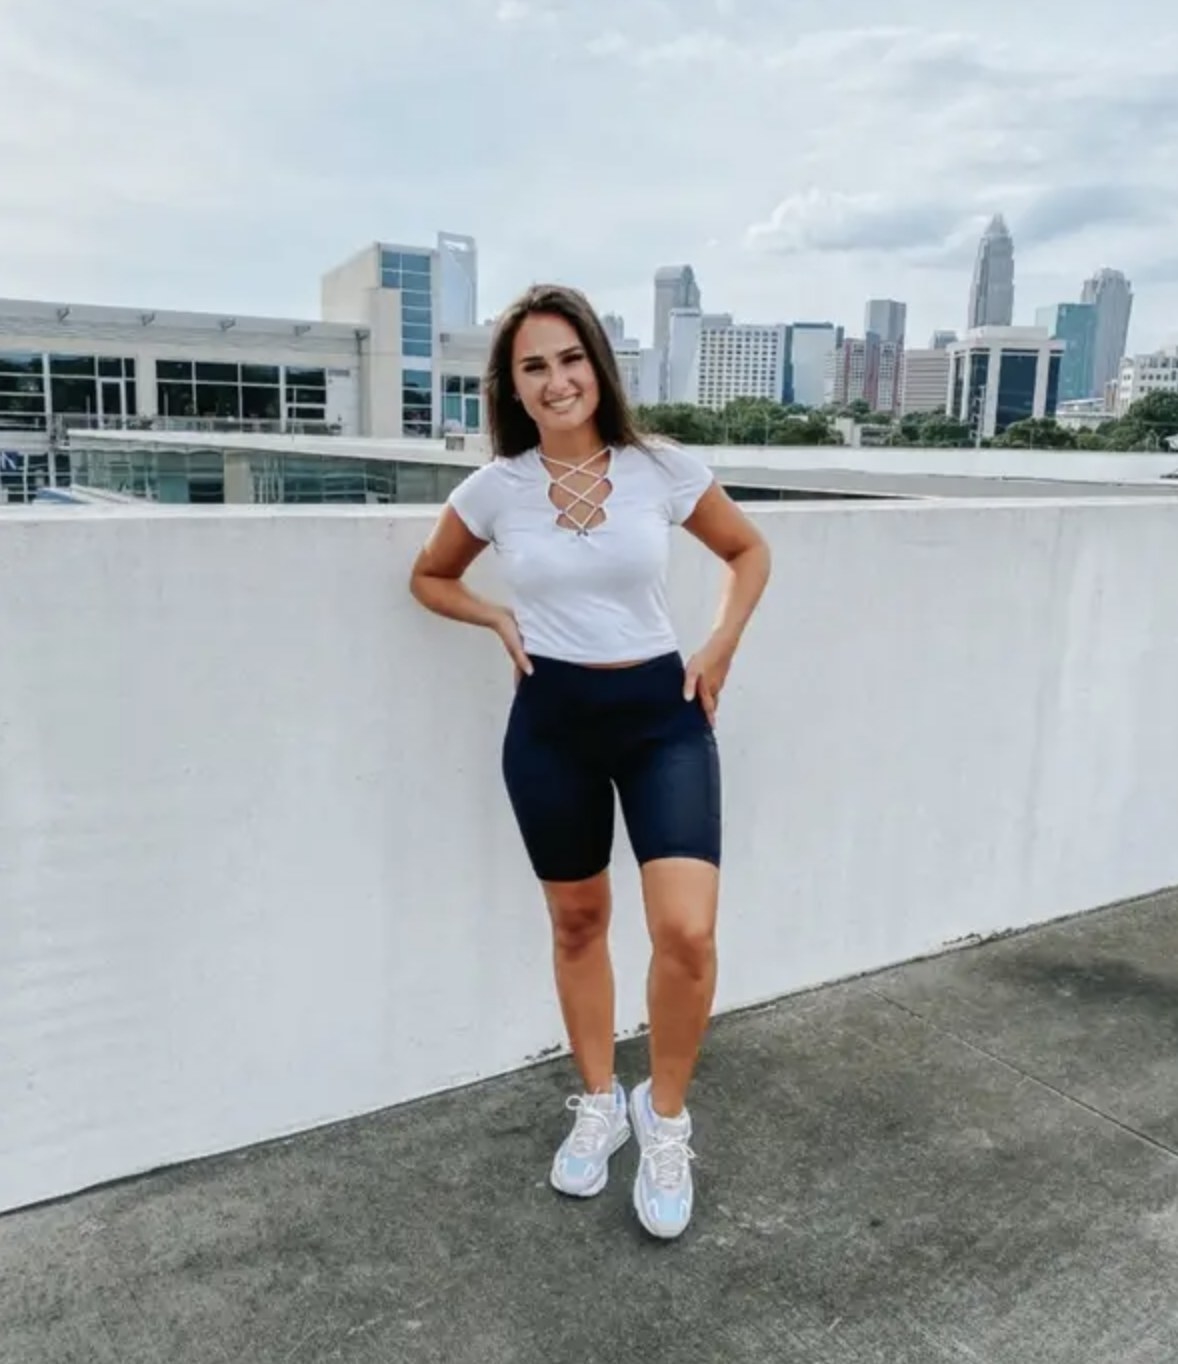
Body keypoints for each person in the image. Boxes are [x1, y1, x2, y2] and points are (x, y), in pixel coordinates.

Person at [409, 283, 770, 1240]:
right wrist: (494, 616)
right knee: (578, 921)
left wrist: (721, 643)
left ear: (597, 366)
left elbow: (748, 551)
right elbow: (430, 576)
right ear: (514, 388)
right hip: (553, 721)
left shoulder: (658, 469)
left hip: (663, 715)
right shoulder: (496, 489)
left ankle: (666, 1115)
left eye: (571, 358)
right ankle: (603, 1101)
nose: (557, 379)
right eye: (535, 366)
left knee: (685, 933)